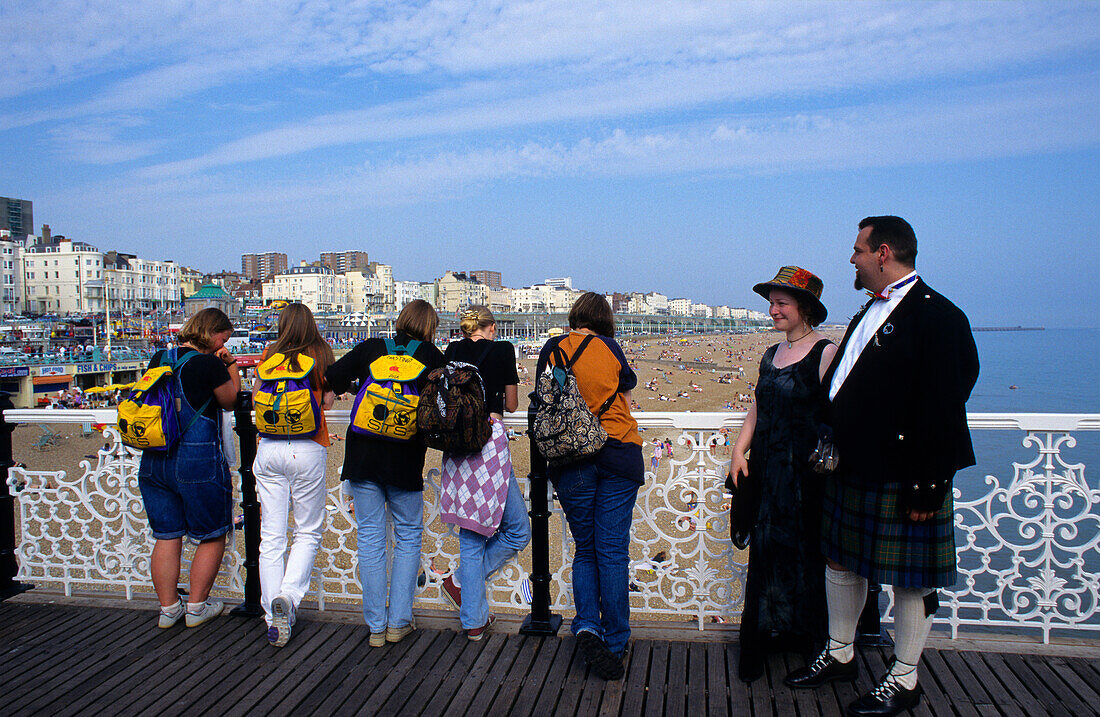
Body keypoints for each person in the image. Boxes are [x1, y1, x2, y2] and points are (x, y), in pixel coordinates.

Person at [784, 216, 978, 717]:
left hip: (904, 471)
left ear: (884, 252)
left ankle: (906, 678)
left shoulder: (938, 317)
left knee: (911, 578)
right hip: (853, 465)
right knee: (839, 561)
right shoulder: (867, 310)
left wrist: (928, 484)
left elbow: (945, 402)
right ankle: (841, 653)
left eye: (858, 250)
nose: (852, 259)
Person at [726, 266, 838, 681]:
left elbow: (836, 416)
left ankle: (808, 641)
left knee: (807, 559)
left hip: (806, 480)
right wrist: (739, 450)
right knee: (767, 557)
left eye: (781, 303)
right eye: (771, 303)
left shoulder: (825, 353)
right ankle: (766, 639)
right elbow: (758, 406)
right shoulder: (770, 355)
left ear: (805, 308)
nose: (773, 310)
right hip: (768, 475)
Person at [534, 292, 643, 680]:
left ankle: (588, 626)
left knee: (586, 550)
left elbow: (543, 401)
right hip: (617, 451)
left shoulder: (552, 347)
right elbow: (625, 393)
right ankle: (615, 642)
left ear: (575, 315)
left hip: (572, 457)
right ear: (605, 319)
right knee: (612, 551)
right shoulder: (611, 348)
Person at [325, 300, 445, 647]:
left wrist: (353, 386)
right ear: (429, 326)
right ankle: (399, 622)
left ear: (401, 322)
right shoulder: (432, 356)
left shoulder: (371, 348)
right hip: (406, 458)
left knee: (371, 538)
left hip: (363, 455)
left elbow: (333, 376)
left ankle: (376, 626)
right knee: (407, 536)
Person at [137, 308, 241, 629]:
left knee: (167, 536)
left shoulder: (159, 358)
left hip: (156, 457)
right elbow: (231, 400)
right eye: (224, 338)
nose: (224, 344)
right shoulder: (208, 363)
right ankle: (197, 606)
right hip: (196, 459)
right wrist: (231, 364)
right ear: (211, 333)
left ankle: (169, 610)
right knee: (211, 534)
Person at [438, 306, 531, 640]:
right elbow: (512, 405)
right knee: (504, 532)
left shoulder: (452, 351)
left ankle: (462, 585)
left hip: (457, 443)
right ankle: (472, 616)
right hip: (489, 443)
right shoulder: (504, 349)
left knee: (474, 529)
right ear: (490, 327)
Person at [252, 303, 335, 647]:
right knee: (307, 531)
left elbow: (257, 395)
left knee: (271, 535)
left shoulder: (270, 354)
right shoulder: (321, 353)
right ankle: (288, 597)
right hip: (307, 446)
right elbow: (328, 402)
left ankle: (272, 616)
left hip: (269, 447)